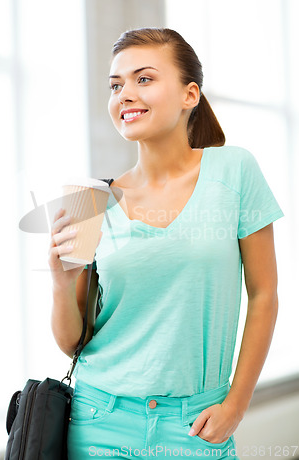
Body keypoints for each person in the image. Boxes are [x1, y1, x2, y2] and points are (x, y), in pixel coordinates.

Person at [48, 28, 284, 459]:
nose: (125, 94)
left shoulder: (234, 171)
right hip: (98, 418)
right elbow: (73, 341)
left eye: (144, 79)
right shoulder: (89, 201)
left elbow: (265, 295)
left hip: (195, 423)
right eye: (116, 85)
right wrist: (61, 282)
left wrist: (236, 405)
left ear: (189, 95)